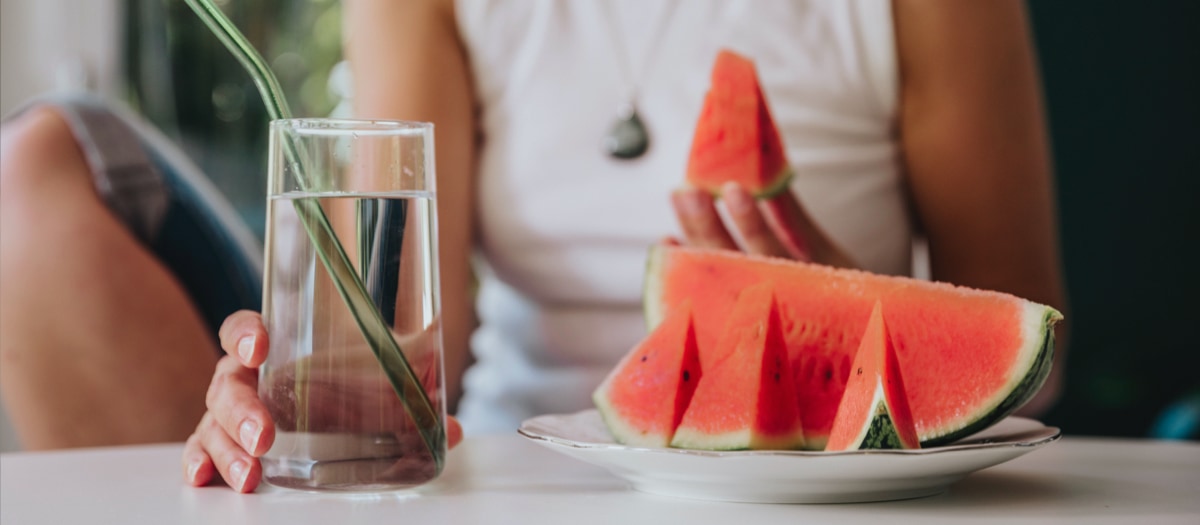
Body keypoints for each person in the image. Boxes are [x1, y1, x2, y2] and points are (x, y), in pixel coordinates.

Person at [0, 0, 1066, 492]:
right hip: (512, 466)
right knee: (26, 183)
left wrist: (839, 318)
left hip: (813, 485)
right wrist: (270, 391)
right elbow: (401, 344)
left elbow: (1029, 350)